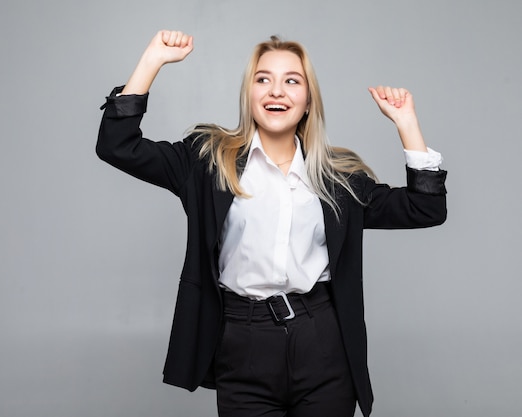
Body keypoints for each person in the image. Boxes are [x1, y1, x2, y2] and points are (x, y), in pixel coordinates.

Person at [96, 30, 447, 417]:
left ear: (309, 100)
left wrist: (406, 122)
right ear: (249, 95)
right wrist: (152, 60)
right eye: (263, 80)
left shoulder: (339, 178)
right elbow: (118, 146)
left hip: (324, 342)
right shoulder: (207, 160)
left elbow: (425, 208)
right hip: (242, 344)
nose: (276, 91)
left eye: (291, 81)